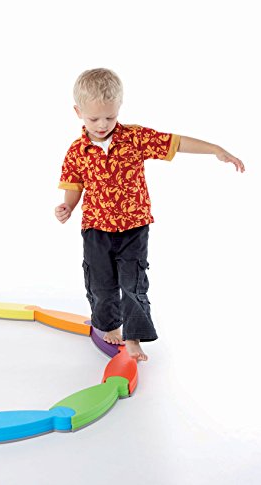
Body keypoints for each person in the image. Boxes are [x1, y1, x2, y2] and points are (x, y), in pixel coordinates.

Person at [55, 68, 245, 361]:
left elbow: (176, 142)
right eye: (94, 119)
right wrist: (68, 205)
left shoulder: (135, 137)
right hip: (96, 228)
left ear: (119, 108)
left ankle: (133, 337)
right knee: (101, 283)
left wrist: (215, 149)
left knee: (133, 283)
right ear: (78, 112)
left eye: (110, 117)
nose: (103, 124)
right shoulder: (76, 151)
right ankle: (110, 325)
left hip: (134, 226)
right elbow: (74, 184)